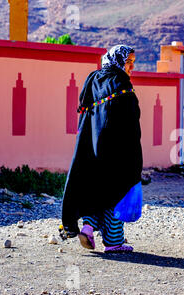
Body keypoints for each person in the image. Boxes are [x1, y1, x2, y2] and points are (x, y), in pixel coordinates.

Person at [61, 45, 142, 253]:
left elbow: (86, 114)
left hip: (92, 147)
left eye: (133, 61)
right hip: (117, 149)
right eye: (129, 61)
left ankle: (87, 229)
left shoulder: (94, 79)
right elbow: (130, 119)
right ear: (119, 61)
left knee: (97, 189)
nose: (132, 66)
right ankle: (114, 242)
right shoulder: (120, 81)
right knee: (117, 191)